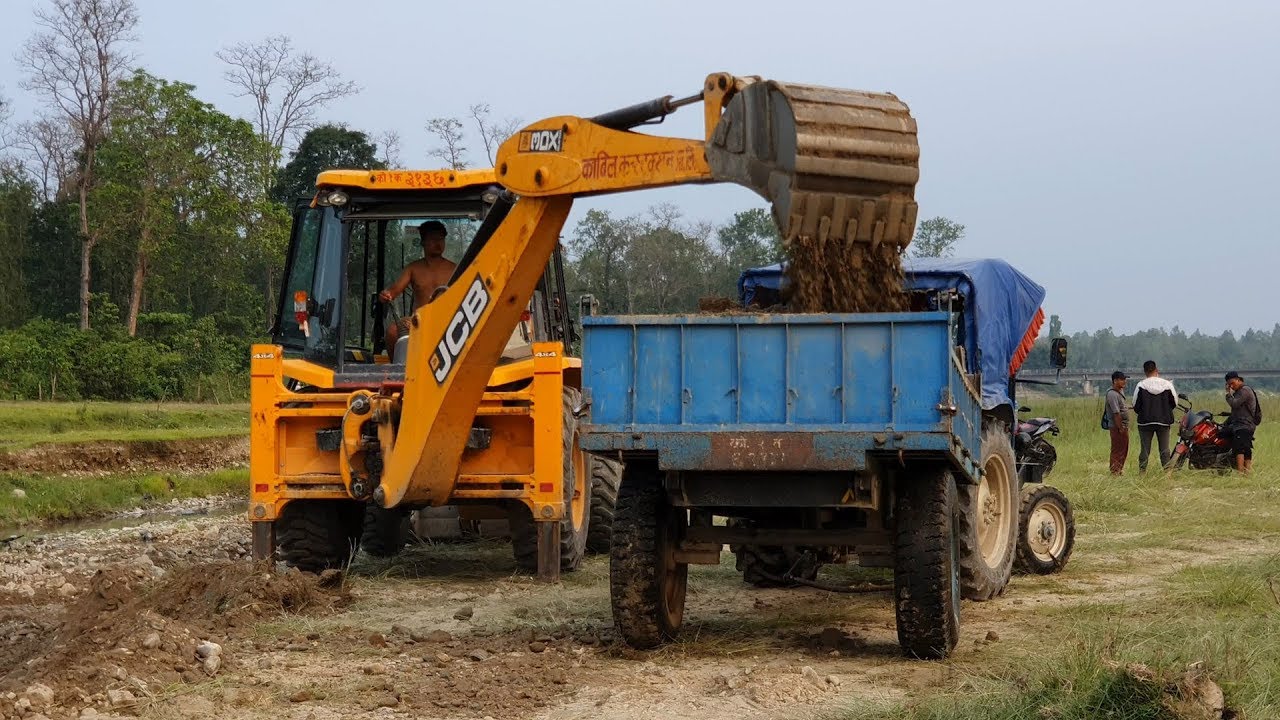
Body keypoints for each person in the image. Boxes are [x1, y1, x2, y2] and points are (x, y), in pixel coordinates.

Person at [379, 221, 457, 352]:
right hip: (419, 322)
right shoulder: (413, 268)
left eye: (441, 239)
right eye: (433, 239)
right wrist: (385, 295)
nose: (438, 243)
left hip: (448, 321)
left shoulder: (454, 269)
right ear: (423, 242)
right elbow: (393, 292)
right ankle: (399, 365)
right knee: (392, 331)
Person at [1132, 360, 1177, 472]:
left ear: (1145, 371)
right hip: (1164, 422)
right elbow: (1174, 403)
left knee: (1145, 450)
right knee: (1164, 449)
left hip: (1145, 422)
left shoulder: (1141, 385)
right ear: (1156, 370)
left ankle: (1142, 472)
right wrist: (1165, 411)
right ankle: (1167, 473)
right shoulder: (1167, 385)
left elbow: (1135, 405)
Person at [1223, 371, 1260, 474]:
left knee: (1239, 449)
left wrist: (1228, 394)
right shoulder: (1239, 392)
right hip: (1244, 425)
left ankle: (1240, 473)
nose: (1231, 386)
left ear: (1238, 380)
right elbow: (1236, 412)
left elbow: (1234, 404)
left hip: (1244, 425)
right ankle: (1247, 474)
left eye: (1232, 383)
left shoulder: (1245, 391)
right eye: (1229, 385)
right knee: (1246, 449)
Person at [1106, 371, 1130, 475]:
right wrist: (1120, 428)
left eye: (1125, 379)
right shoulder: (1112, 394)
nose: (1124, 381)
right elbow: (1116, 413)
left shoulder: (1120, 392)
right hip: (1117, 426)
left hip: (1123, 426)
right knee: (1117, 449)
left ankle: (1119, 469)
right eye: (1122, 379)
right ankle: (1115, 471)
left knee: (1123, 448)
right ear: (1115, 381)